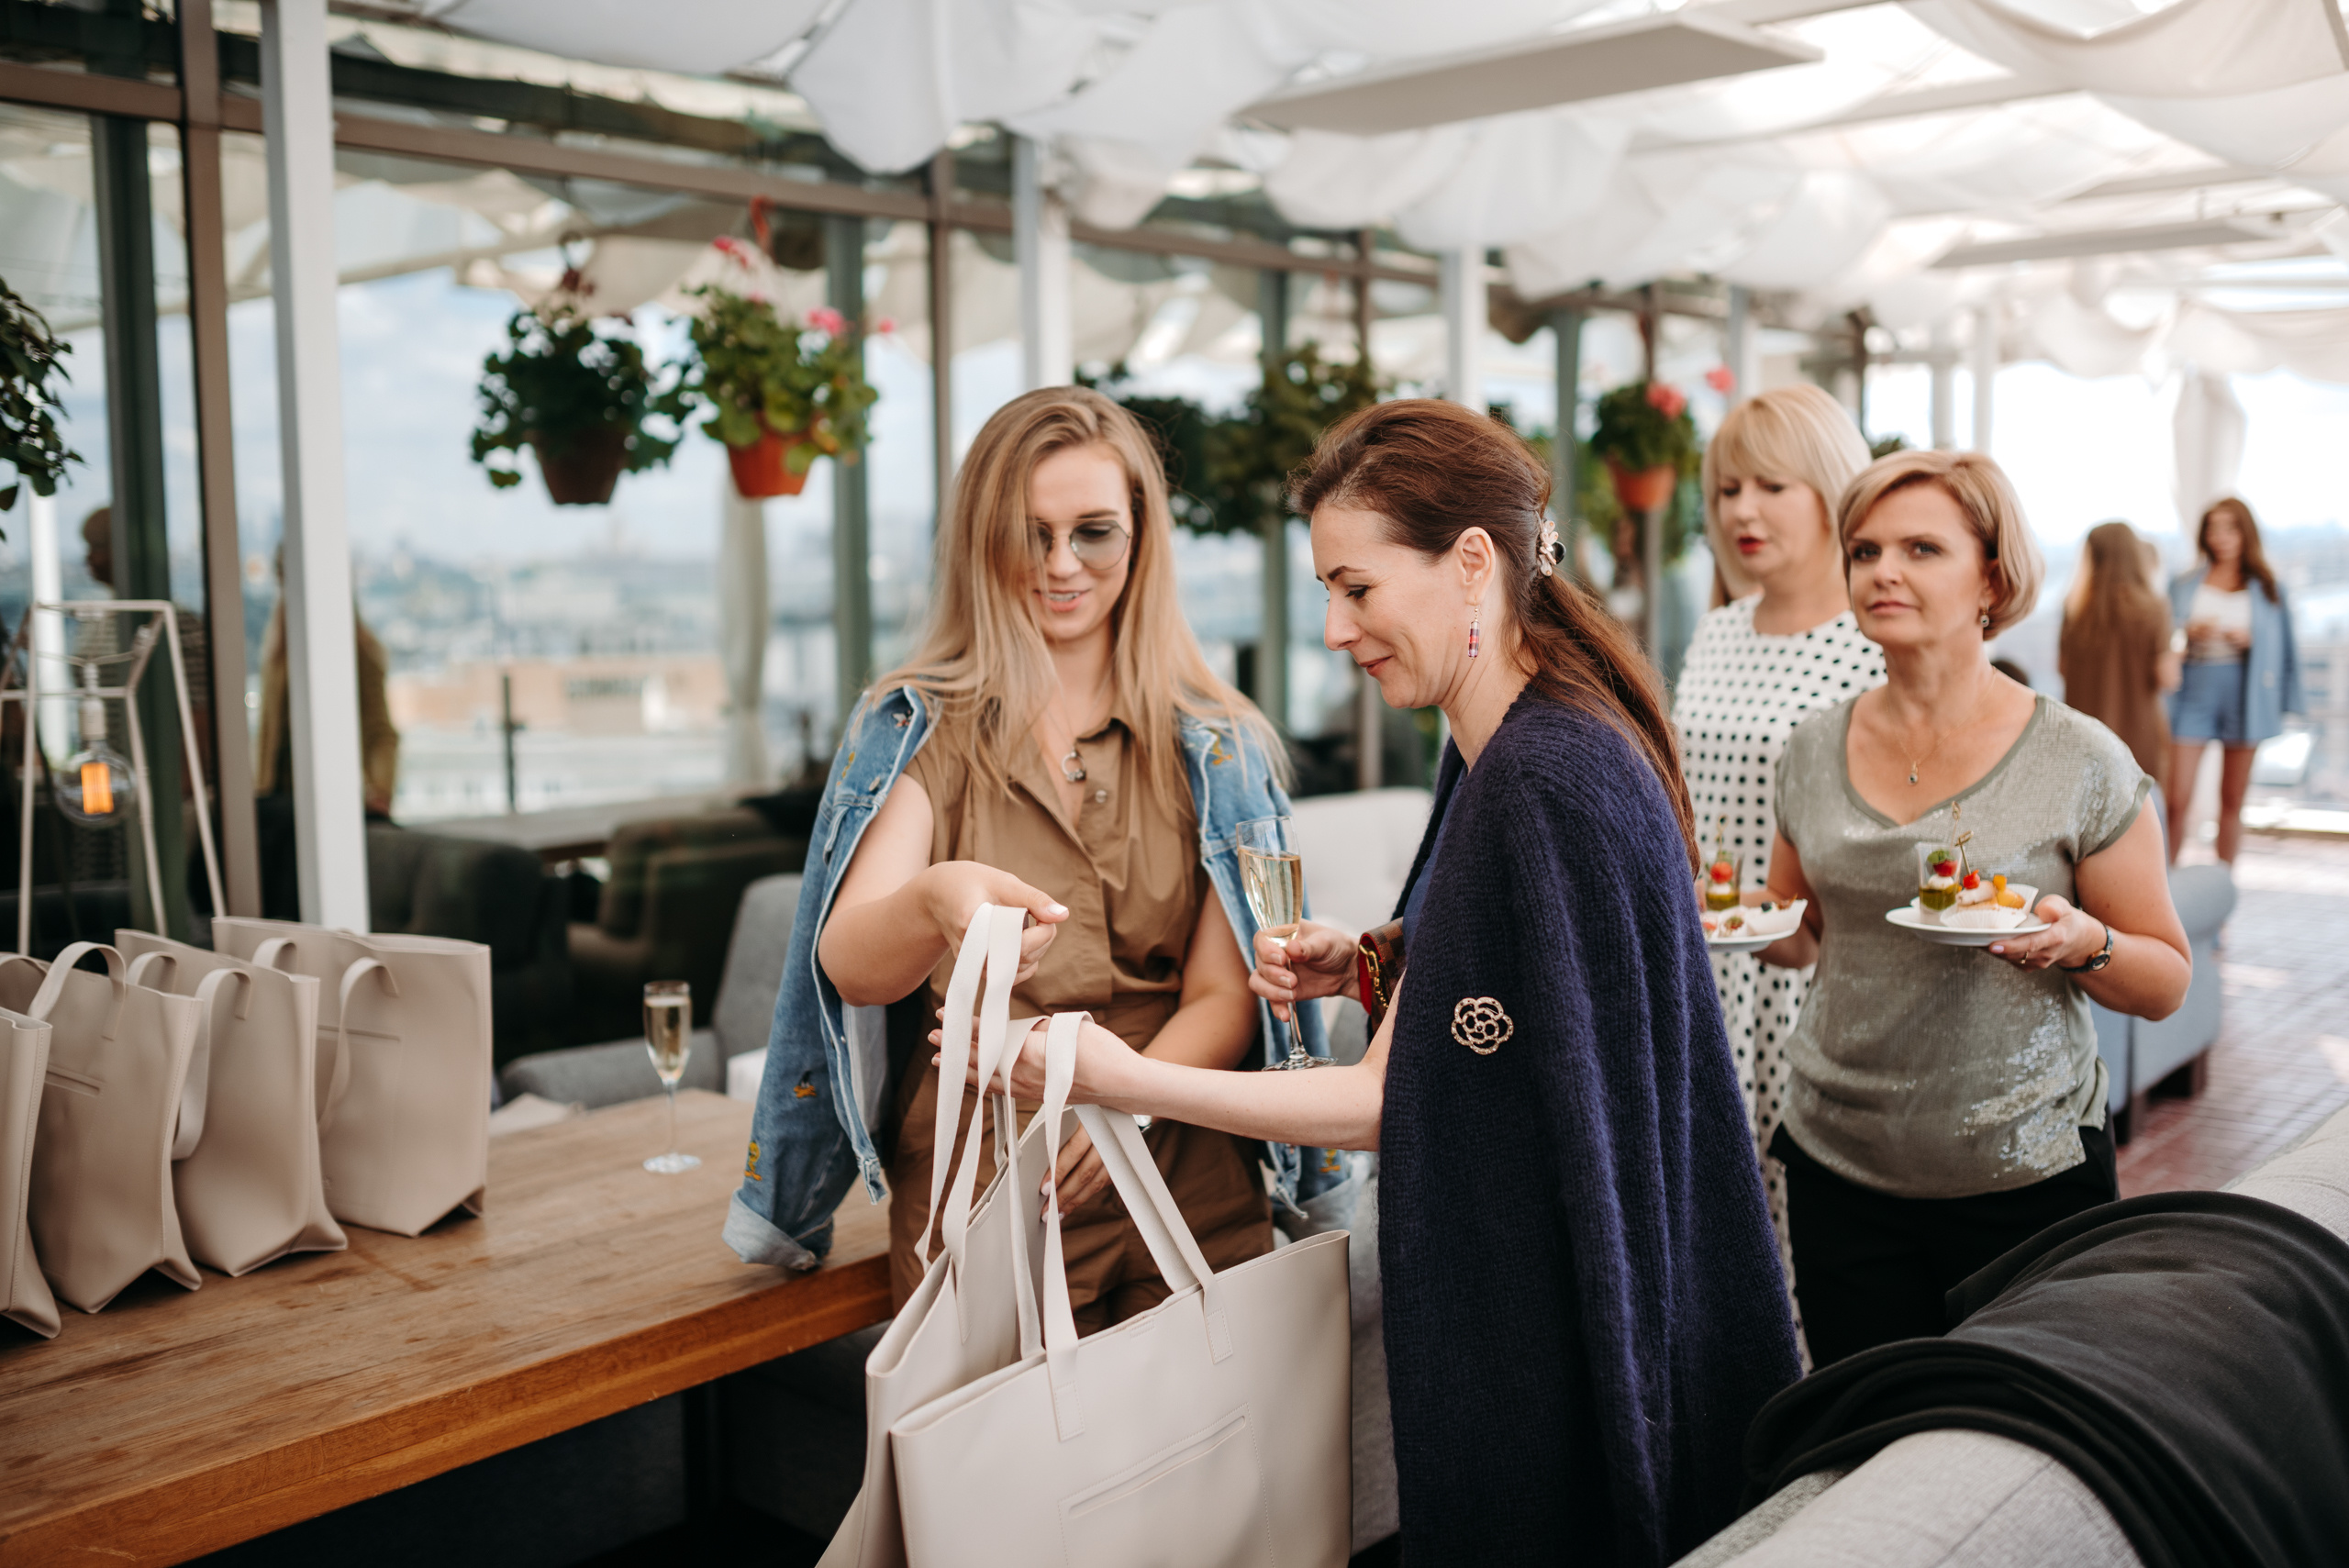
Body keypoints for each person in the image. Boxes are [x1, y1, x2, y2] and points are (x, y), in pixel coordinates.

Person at [965, 401, 1799, 1567]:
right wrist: (1382, 956)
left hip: (1528, 1320)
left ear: (1471, 562)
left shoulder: (1533, 774)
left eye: (1356, 588)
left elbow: (1375, 1099)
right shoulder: (1530, 733)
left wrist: (1118, 1073)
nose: (1333, 628)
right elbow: (1541, 983)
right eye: (1326, 590)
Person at [727, 386, 1329, 1330]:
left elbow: (1224, 993)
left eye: (1093, 531)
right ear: (979, 538)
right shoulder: (920, 725)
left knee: (1220, 1468)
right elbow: (847, 964)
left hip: (1189, 1163)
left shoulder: (1218, 741)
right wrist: (932, 898)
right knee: (1003, 1475)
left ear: (1140, 538)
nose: (1060, 565)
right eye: (1029, 532)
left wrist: (1120, 1102)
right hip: (992, 1179)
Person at [1757, 450, 2191, 1369]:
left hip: (2024, 1173)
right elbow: (1798, 939)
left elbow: (2163, 980)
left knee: (2018, 1446)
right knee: (1863, 1436)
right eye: (1864, 549)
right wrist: (1722, 918)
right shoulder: (1808, 748)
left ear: (1991, 575)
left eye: (1921, 548)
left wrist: (2084, 940)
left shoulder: (2079, 756)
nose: (1883, 571)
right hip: (1837, 1161)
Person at [1673, 384, 1882, 1355]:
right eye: (1725, 489)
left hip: (1810, 978)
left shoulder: (1872, 644)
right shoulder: (1714, 631)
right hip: (1700, 966)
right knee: (1706, 1232)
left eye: (1771, 485)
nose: (1741, 510)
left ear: (1832, 490)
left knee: (1808, 1243)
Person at [2166, 496, 2302, 863]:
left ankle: (2222, 890)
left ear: (2246, 533)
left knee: (2232, 801)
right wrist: (2187, 633)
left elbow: (2286, 650)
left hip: (2245, 696)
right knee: (2176, 800)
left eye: (2230, 528)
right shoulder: (2182, 585)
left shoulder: (2269, 588)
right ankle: (2163, 891)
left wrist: (2252, 641)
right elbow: (2166, 640)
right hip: (2193, 692)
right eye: (2213, 527)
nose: (2221, 537)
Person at [2060, 520, 2176, 782]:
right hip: (2137, 737)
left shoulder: (2074, 610)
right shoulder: (2153, 609)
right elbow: (2166, 678)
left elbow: (2062, 668)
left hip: (2083, 738)